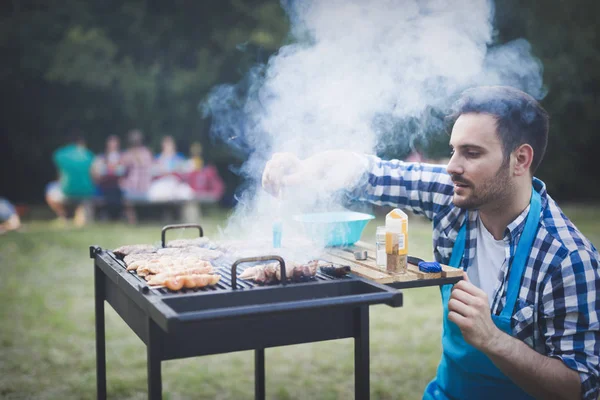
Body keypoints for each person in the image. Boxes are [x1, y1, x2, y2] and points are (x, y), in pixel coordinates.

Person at [262, 86, 599, 400]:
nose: (452, 167)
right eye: (454, 151)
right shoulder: (455, 195)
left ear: (520, 160)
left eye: (471, 153)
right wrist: (307, 166)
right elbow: (370, 172)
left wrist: (494, 340)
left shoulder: (568, 258)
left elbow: (579, 384)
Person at [46, 130, 96, 227]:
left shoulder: (60, 154)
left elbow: (60, 175)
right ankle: (81, 214)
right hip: (86, 193)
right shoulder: (88, 154)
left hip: (67, 191)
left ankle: (63, 216)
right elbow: (94, 175)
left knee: (49, 189)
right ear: (81, 142)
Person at [120, 129, 153, 224]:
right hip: (147, 188)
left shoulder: (128, 155)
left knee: (122, 187)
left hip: (133, 190)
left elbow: (121, 168)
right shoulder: (147, 153)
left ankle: (132, 220)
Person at [92, 135, 125, 220]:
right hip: (104, 185)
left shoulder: (122, 157)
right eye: (111, 144)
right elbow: (96, 173)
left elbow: (124, 171)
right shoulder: (101, 157)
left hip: (117, 185)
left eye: (115, 144)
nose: (113, 146)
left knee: (116, 190)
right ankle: (110, 214)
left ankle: (113, 215)